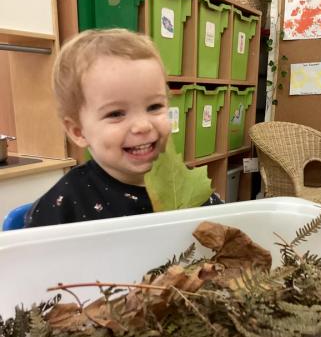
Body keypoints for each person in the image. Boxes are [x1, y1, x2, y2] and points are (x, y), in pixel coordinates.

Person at [25, 28, 222, 228]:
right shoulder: (63, 207)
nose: (143, 126)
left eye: (154, 107)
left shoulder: (186, 186)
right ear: (78, 131)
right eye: (116, 114)